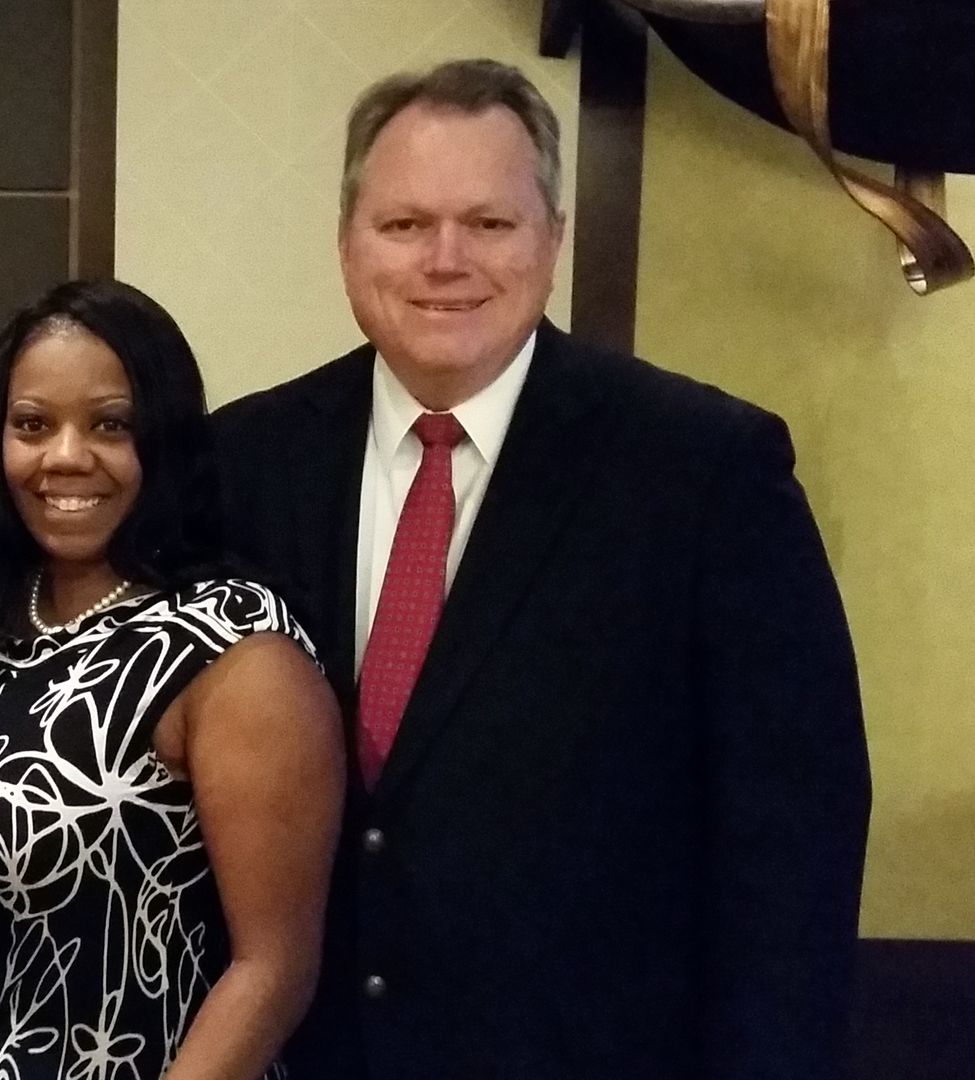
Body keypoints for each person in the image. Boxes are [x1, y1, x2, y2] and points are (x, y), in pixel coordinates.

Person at [212, 58, 872, 1079]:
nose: (446, 259)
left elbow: (792, 843)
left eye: (489, 223)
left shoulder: (703, 469)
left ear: (552, 240)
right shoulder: (240, 465)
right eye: (404, 224)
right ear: (347, 245)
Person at [0, 279, 345, 1080]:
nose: (66, 456)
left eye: (110, 425)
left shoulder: (236, 651)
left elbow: (274, 970)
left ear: (160, 442)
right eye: (32, 425)